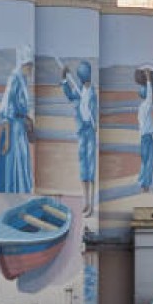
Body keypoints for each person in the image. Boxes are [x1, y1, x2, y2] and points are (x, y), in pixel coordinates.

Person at [0, 46, 35, 194]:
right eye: (28, 65)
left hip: (20, 130)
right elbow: (7, 109)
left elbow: (21, 108)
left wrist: (28, 120)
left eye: (31, 65)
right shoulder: (14, 79)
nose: (31, 68)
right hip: (12, 130)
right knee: (13, 165)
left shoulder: (23, 79)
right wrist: (6, 140)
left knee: (22, 164)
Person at [61, 60, 99, 215]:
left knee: (91, 168)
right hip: (81, 131)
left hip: (90, 131)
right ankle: (86, 201)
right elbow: (69, 95)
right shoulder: (78, 90)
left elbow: (94, 111)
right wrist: (64, 79)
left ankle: (91, 204)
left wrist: (94, 122)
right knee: (84, 167)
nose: (84, 78)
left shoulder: (93, 94)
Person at [135, 65, 153, 192]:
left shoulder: (140, 108)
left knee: (145, 161)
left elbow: (149, 96)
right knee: (149, 162)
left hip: (144, 137)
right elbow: (150, 97)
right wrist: (149, 79)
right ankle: (145, 184)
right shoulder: (145, 106)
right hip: (148, 137)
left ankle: (143, 182)